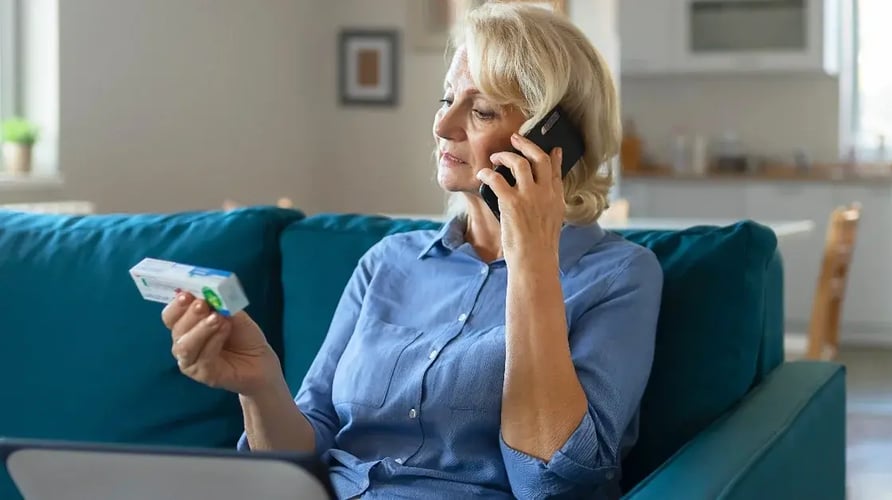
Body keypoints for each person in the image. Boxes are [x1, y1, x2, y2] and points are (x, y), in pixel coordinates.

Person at [161, 3, 663, 498]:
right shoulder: (387, 262)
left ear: (557, 141)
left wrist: (531, 255)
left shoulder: (618, 275)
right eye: (447, 100)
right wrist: (260, 385)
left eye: (482, 110)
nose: (444, 127)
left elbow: (549, 483)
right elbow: (302, 455)